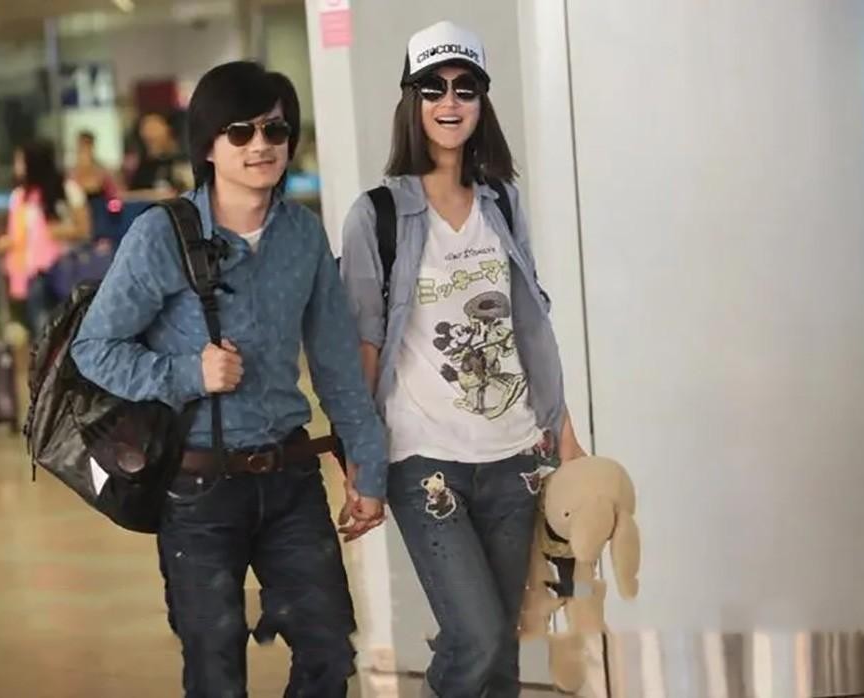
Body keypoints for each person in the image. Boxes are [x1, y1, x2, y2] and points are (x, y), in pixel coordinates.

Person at [70, 61, 387, 697]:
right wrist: (189, 372)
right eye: (240, 132)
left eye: (275, 129)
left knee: (328, 652)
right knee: (216, 673)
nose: (260, 145)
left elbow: (335, 363)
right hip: (197, 490)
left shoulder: (302, 235)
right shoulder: (161, 236)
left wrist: (368, 467)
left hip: (291, 480)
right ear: (208, 147)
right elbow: (94, 349)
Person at [340, 21, 588, 698]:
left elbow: (530, 327)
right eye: (433, 88)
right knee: (476, 636)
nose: (449, 102)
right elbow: (363, 344)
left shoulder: (501, 201)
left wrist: (567, 440)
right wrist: (361, 462)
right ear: (412, 101)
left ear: (482, 102)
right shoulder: (376, 216)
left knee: (499, 652)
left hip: (515, 455)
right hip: (424, 458)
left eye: (465, 87)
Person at [0, 140, 90, 337]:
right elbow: (18, 235)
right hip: (31, 272)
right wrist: (1, 244)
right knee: (41, 325)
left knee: (63, 324)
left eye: (20, 161)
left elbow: (84, 228)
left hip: (64, 267)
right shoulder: (20, 197)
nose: (17, 166)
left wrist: (59, 231)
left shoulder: (66, 189)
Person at [124, 111, 185, 197]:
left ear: (167, 129)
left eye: (153, 128)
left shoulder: (182, 160)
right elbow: (131, 194)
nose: (148, 134)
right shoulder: (144, 165)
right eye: (145, 129)